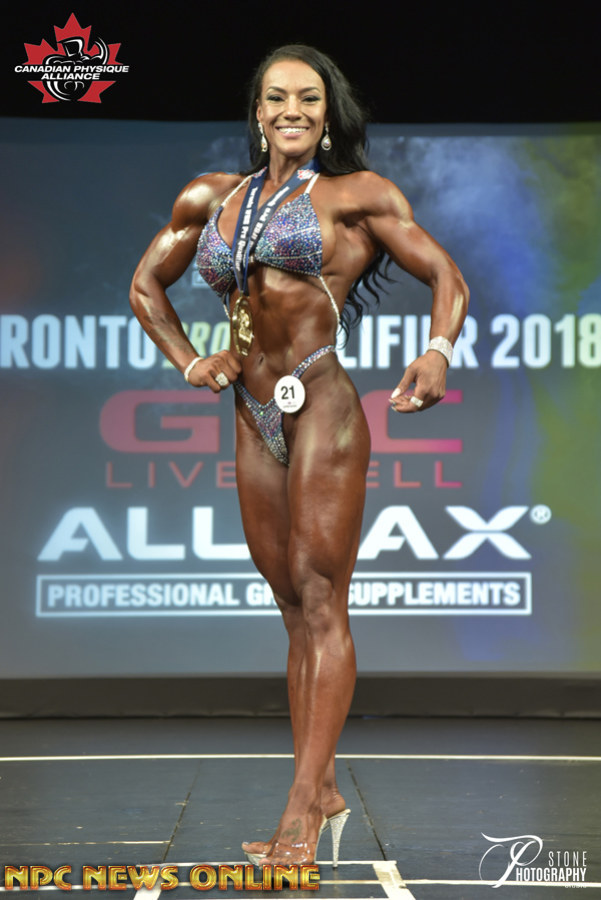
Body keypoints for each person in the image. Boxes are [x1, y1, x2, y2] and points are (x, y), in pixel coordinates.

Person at [129, 44, 469, 866]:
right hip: (251, 411)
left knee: (321, 597)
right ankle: (319, 786)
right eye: (277, 96)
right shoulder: (211, 197)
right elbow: (145, 286)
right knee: (289, 603)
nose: (292, 110)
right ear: (257, 111)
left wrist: (436, 352)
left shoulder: (356, 196)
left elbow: (445, 276)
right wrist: (190, 361)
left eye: (308, 98)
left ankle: (300, 813)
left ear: (326, 113)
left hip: (321, 402)